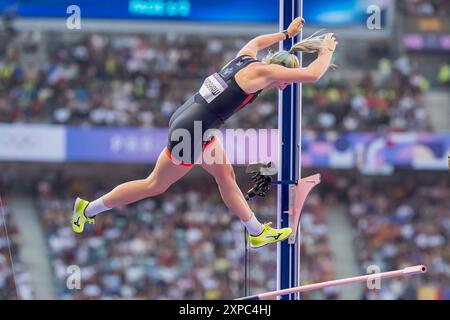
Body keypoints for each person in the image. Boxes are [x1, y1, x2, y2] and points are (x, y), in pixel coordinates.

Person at [72, 17, 338, 248]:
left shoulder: (245, 60)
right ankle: (89, 208)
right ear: (279, 72)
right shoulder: (263, 73)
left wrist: (286, 35)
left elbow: (256, 42)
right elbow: (313, 74)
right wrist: (326, 51)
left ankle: (256, 232)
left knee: (226, 175)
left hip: (192, 120)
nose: (283, 87)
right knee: (155, 184)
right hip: (192, 130)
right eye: (286, 82)